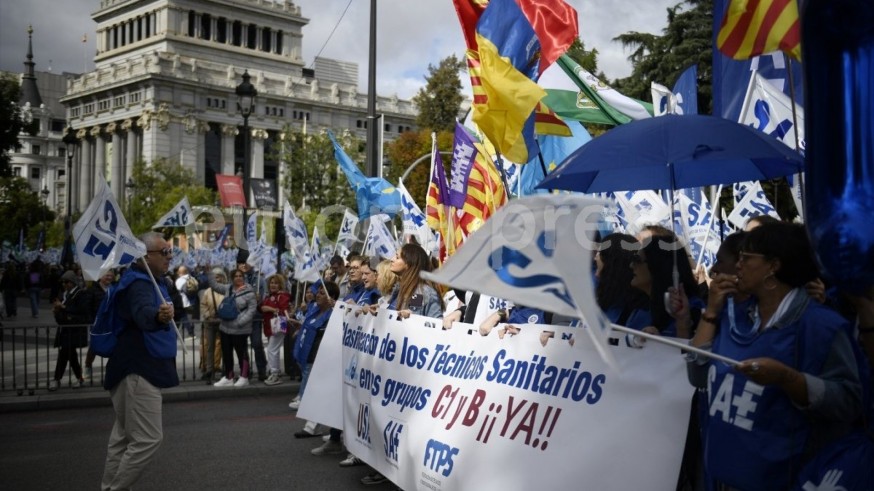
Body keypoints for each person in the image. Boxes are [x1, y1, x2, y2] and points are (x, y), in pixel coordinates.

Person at [680, 222, 863, 490]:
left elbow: (850, 401)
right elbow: (697, 376)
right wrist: (710, 313)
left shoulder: (822, 326)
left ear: (773, 266)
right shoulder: (734, 316)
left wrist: (789, 379)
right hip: (721, 478)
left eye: (747, 258)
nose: (738, 265)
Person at [101, 232, 183, 490]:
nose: (170, 257)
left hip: (129, 369)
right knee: (148, 439)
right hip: (138, 371)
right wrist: (158, 317)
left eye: (170, 251)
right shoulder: (139, 284)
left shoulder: (143, 280)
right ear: (146, 256)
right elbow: (143, 313)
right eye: (165, 252)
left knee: (123, 439)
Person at [291, 281, 339, 437]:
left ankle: (316, 428)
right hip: (310, 356)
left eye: (322, 293)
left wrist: (338, 307)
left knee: (319, 392)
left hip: (324, 358)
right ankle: (325, 430)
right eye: (317, 292)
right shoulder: (314, 310)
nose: (317, 295)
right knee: (321, 393)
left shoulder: (334, 313)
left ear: (331, 297)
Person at [210, 267, 258, 387]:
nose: (238, 278)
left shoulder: (249, 292)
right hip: (225, 327)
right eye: (236, 276)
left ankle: (244, 376)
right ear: (232, 278)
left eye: (240, 276)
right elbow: (215, 286)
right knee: (226, 352)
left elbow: (252, 310)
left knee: (241, 352)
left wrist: (240, 322)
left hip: (240, 329)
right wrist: (209, 272)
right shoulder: (228, 288)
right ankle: (229, 377)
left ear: (244, 277)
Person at [49, 270, 92, 390]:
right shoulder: (65, 295)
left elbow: (81, 311)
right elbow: (62, 317)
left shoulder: (80, 294)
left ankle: (57, 379)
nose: (64, 284)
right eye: (63, 282)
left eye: (67, 282)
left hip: (74, 330)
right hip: (66, 330)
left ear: (73, 282)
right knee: (70, 355)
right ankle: (79, 378)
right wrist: (57, 312)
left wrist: (63, 308)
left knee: (65, 354)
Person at [387, 243, 443, 319]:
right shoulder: (400, 288)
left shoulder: (419, 292)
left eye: (397, 257)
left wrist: (412, 315)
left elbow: (435, 323)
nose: (392, 259)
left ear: (409, 263)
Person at [236, 251, 268, 381]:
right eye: (241, 263)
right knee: (242, 346)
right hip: (241, 318)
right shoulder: (237, 279)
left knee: (257, 344)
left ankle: (262, 370)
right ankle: (245, 371)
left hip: (254, 318)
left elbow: (264, 298)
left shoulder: (260, 279)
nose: (243, 265)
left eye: (246, 262)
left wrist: (259, 299)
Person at [259, 273, 291, 386]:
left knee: (271, 349)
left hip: (278, 324)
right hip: (270, 326)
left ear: (280, 285)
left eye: (276, 283)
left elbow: (283, 311)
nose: (273, 285)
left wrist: (270, 309)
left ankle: (274, 373)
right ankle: (275, 372)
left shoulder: (282, 296)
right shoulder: (269, 296)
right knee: (274, 351)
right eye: (272, 283)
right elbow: (262, 307)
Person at [84, 270, 115, 382]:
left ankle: (111, 371)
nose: (109, 277)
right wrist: (92, 320)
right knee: (93, 346)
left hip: (110, 322)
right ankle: (87, 366)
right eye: (107, 275)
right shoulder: (92, 290)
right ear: (100, 276)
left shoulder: (114, 289)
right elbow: (87, 307)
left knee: (112, 345)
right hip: (96, 323)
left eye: (111, 275)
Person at [198, 267, 227, 382]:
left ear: (223, 277)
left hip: (224, 322)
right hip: (210, 322)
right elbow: (203, 305)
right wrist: (207, 315)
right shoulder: (207, 291)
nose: (217, 279)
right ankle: (209, 371)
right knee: (210, 348)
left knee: (225, 347)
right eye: (215, 277)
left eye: (219, 277)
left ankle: (226, 369)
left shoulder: (226, 289)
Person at [173, 265, 196, 339]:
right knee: (184, 317)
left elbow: (176, 290)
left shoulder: (179, 280)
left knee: (182, 317)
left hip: (182, 301)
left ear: (180, 272)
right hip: (191, 302)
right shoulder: (192, 278)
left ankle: (190, 333)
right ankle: (189, 332)